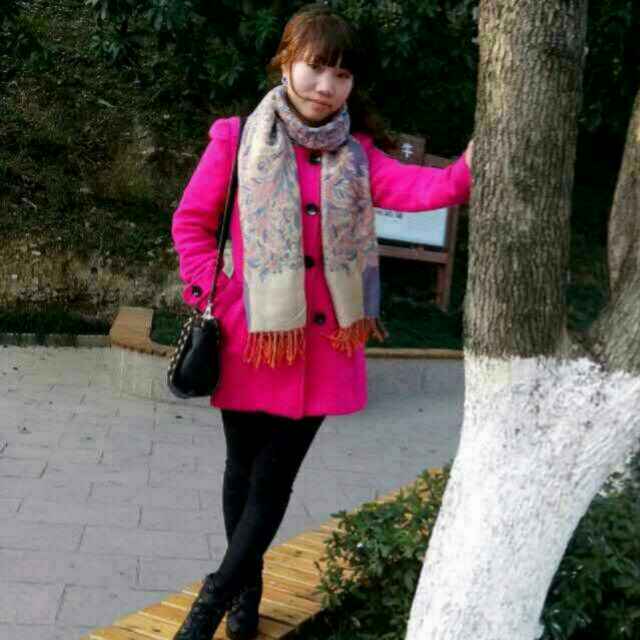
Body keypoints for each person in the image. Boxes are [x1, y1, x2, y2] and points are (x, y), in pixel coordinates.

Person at [170, 4, 473, 639]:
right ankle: (246, 594)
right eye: (315, 67)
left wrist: (475, 161)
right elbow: (191, 224)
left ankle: (211, 600)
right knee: (241, 470)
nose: (325, 85)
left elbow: (430, 189)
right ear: (286, 61)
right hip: (251, 334)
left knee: (274, 478)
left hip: (324, 346)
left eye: (341, 75)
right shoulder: (236, 139)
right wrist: (214, 288)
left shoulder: (360, 155)